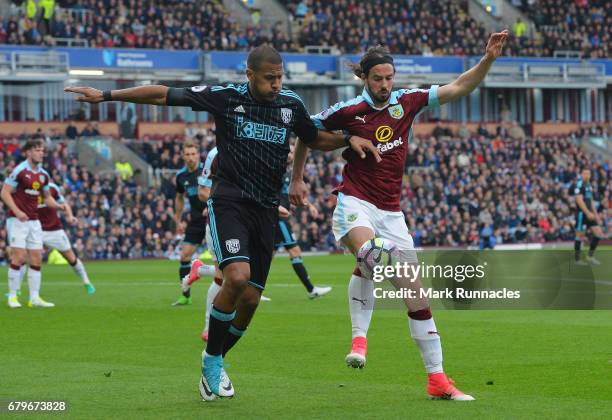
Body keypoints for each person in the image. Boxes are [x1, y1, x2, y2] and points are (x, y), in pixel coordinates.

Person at [65, 44, 379, 401]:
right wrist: (106, 94)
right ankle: (212, 361)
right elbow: (165, 94)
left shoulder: (290, 104)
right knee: (237, 278)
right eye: (269, 78)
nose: (276, 84)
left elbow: (314, 137)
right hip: (229, 202)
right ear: (250, 75)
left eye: (280, 77)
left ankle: (214, 359)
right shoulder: (226, 97)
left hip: (265, 210)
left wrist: (347, 139)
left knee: (251, 301)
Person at [290, 31, 509, 401]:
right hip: (354, 203)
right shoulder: (346, 112)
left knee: (416, 296)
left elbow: (458, 88)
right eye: (378, 78)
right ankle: (360, 340)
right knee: (373, 255)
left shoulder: (406, 102)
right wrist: (296, 178)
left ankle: (437, 379)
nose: (385, 84)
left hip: (393, 213)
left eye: (389, 77)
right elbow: (305, 132)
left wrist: (487, 59)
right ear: (365, 78)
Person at [1, 139, 65, 308]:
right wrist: (17, 211)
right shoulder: (19, 171)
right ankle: (12, 297)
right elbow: (5, 193)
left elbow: (46, 197)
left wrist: (58, 206)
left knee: (36, 257)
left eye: (42, 150)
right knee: (19, 256)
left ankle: (34, 298)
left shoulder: (44, 174)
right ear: (28, 152)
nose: (41, 153)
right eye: (37, 150)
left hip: (34, 220)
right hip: (17, 220)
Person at [172, 140, 216, 306]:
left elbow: (218, 188)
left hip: (213, 216)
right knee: (184, 256)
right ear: (183, 156)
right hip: (196, 220)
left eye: (193, 154)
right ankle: (185, 295)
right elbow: (179, 198)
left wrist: (211, 205)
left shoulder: (208, 170)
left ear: (198, 155)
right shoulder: (181, 176)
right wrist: (178, 219)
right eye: (187, 154)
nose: (190, 157)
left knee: (222, 259)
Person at [38, 181, 95, 294]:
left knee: (71, 258)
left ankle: (86, 282)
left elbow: (64, 203)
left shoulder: (52, 188)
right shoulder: (25, 187)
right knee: (22, 258)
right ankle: (17, 291)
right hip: (34, 229)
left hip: (54, 230)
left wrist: (70, 216)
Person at [573, 168, 602, 265]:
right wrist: (587, 212)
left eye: (588, 173)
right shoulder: (579, 184)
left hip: (590, 213)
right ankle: (577, 260)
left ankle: (590, 256)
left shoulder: (589, 185)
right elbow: (579, 200)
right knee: (580, 236)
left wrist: (596, 214)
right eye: (585, 173)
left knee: (598, 233)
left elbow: (591, 201)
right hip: (582, 213)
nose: (587, 175)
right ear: (581, 174)